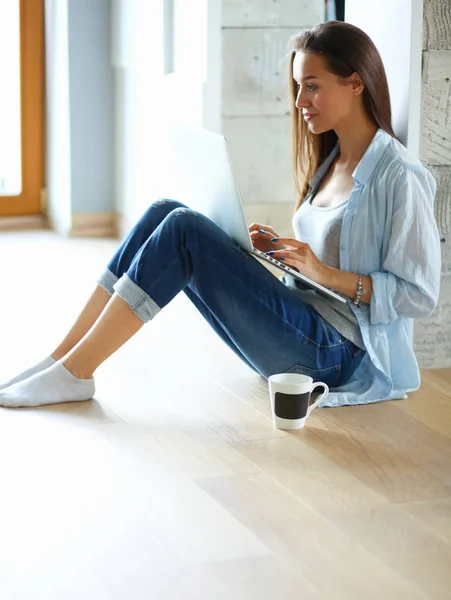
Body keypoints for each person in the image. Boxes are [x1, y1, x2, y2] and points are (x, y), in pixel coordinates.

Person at [0, 21, 441, 409]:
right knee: (165, 211)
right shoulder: (330, 162)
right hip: (303, 326)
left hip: (338, 354)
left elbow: (420, 295)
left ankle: (76, 373)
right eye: (297, 86)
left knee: (184, 230)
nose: (300, 100)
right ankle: (62, 357)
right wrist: (281, 253)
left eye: (313, 84)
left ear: (356, 83)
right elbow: (326, 259)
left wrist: (324, 274)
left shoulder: (400, 176)